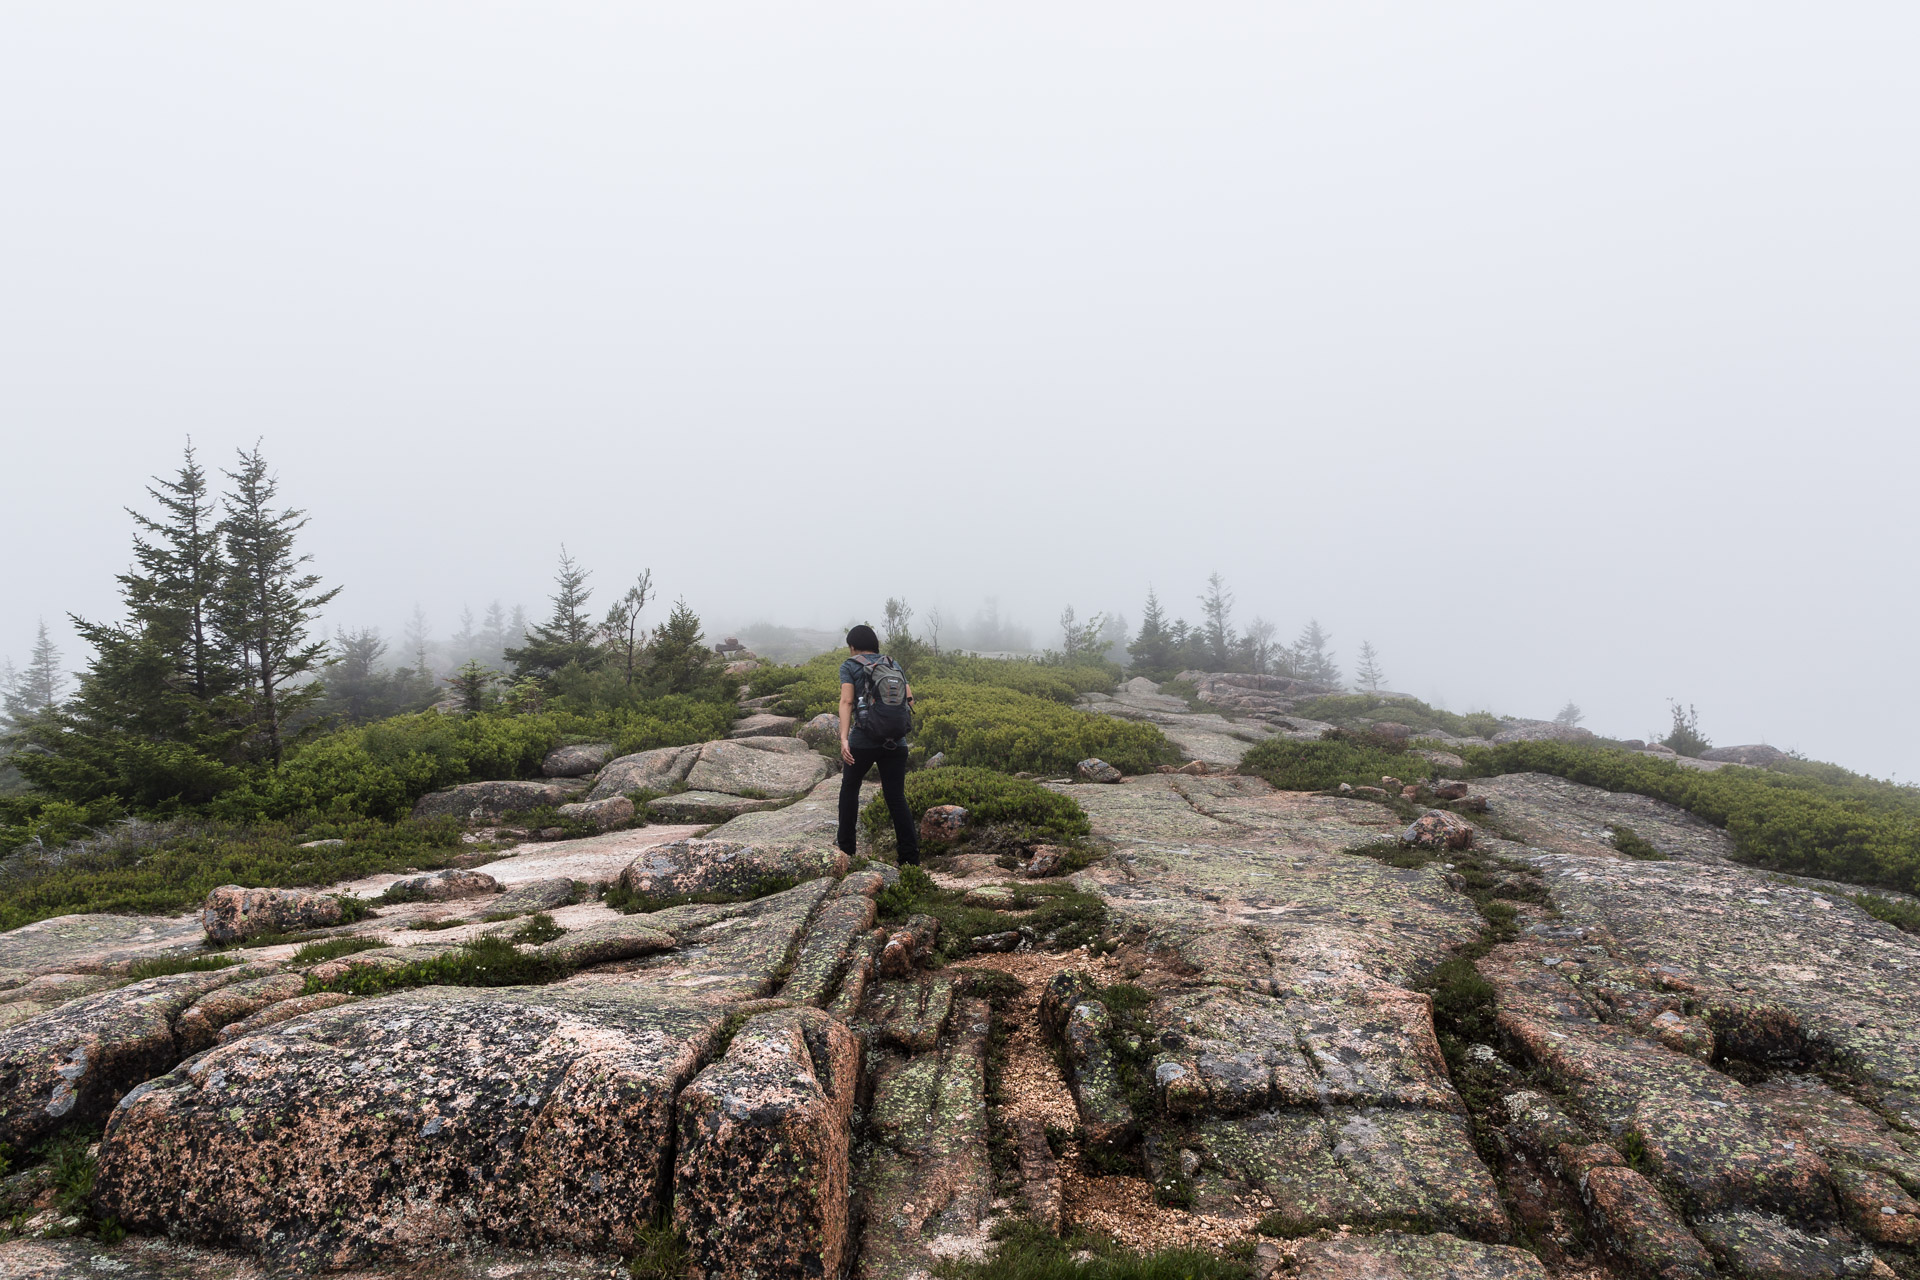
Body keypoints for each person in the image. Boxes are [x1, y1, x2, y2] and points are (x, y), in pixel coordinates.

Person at [837, 624, 922, 865]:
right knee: (896, 797)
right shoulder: (894, 664)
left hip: (863, 741)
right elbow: (909, 698)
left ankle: (846, 852)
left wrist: (844, 738)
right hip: (897, 742)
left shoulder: (850, 665)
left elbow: (846, 700)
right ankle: (909, 859)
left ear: (853, 646)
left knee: (850, 790)